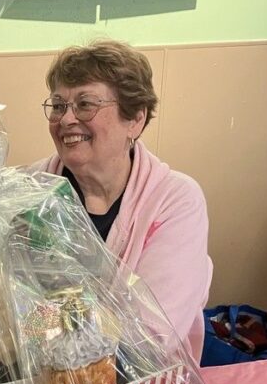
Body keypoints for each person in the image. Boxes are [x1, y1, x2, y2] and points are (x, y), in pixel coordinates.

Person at [33, 40, 212, 360]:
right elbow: (9, 308)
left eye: (85, 104)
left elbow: (151, 333)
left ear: (135, 120)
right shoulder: (34, 189)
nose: (65, 119)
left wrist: (40, 324)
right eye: (58, 105)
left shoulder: (175, 201)